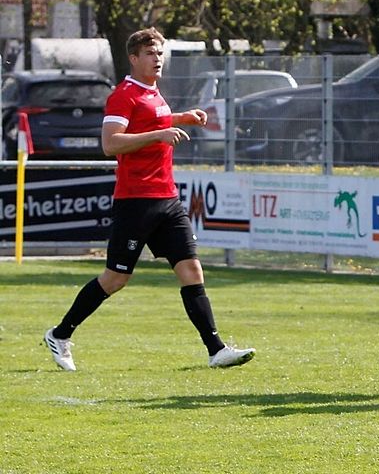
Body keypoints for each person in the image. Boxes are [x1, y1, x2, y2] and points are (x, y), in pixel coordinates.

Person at [42, 27, 255, 371]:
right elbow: (111, 143)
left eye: (160, 53)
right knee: (115, 279)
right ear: (134, 58)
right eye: (151, 53)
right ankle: (60, 334)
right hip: (136, 201)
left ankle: (216, 350)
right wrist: (160, 133)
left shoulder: (153, 93)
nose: (158, 59)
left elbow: (152, 120)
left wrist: (182, 118)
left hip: (166, 198)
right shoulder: (124, 95)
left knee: (191, 269)